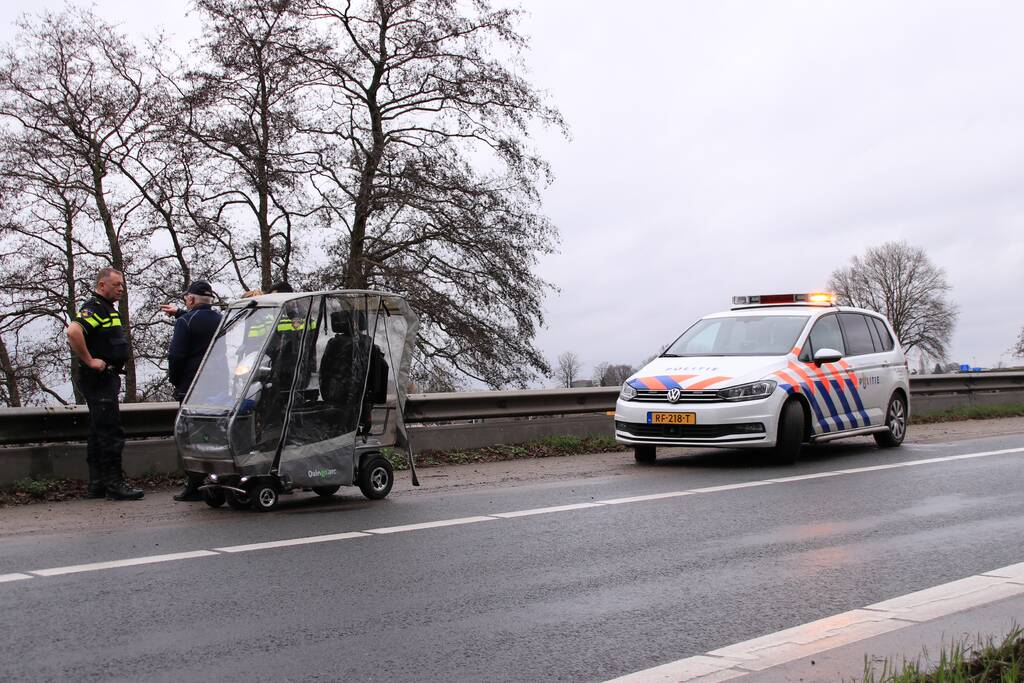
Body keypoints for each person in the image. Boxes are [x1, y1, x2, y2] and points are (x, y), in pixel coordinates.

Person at [66, 268, 144, 501]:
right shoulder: (96, 307)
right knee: (110, 431)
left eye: (122, 285)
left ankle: (98, 484)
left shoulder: (108, 309)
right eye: (116, 285)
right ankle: (114, 484)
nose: (121, 289)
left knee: (97, 430)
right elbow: (73, 331)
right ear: (102, 285)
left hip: (106, 378)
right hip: (99, 379)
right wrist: (90, 360)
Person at [163, 280, 223, 501]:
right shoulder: (221, 320)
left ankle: (195, 484)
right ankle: (217, 479)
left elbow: (176, 356)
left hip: (192, 387)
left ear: (190, 299)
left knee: (191, 437)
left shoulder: (185, 322)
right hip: (217, 386)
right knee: (214, 435)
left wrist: (176, 380)